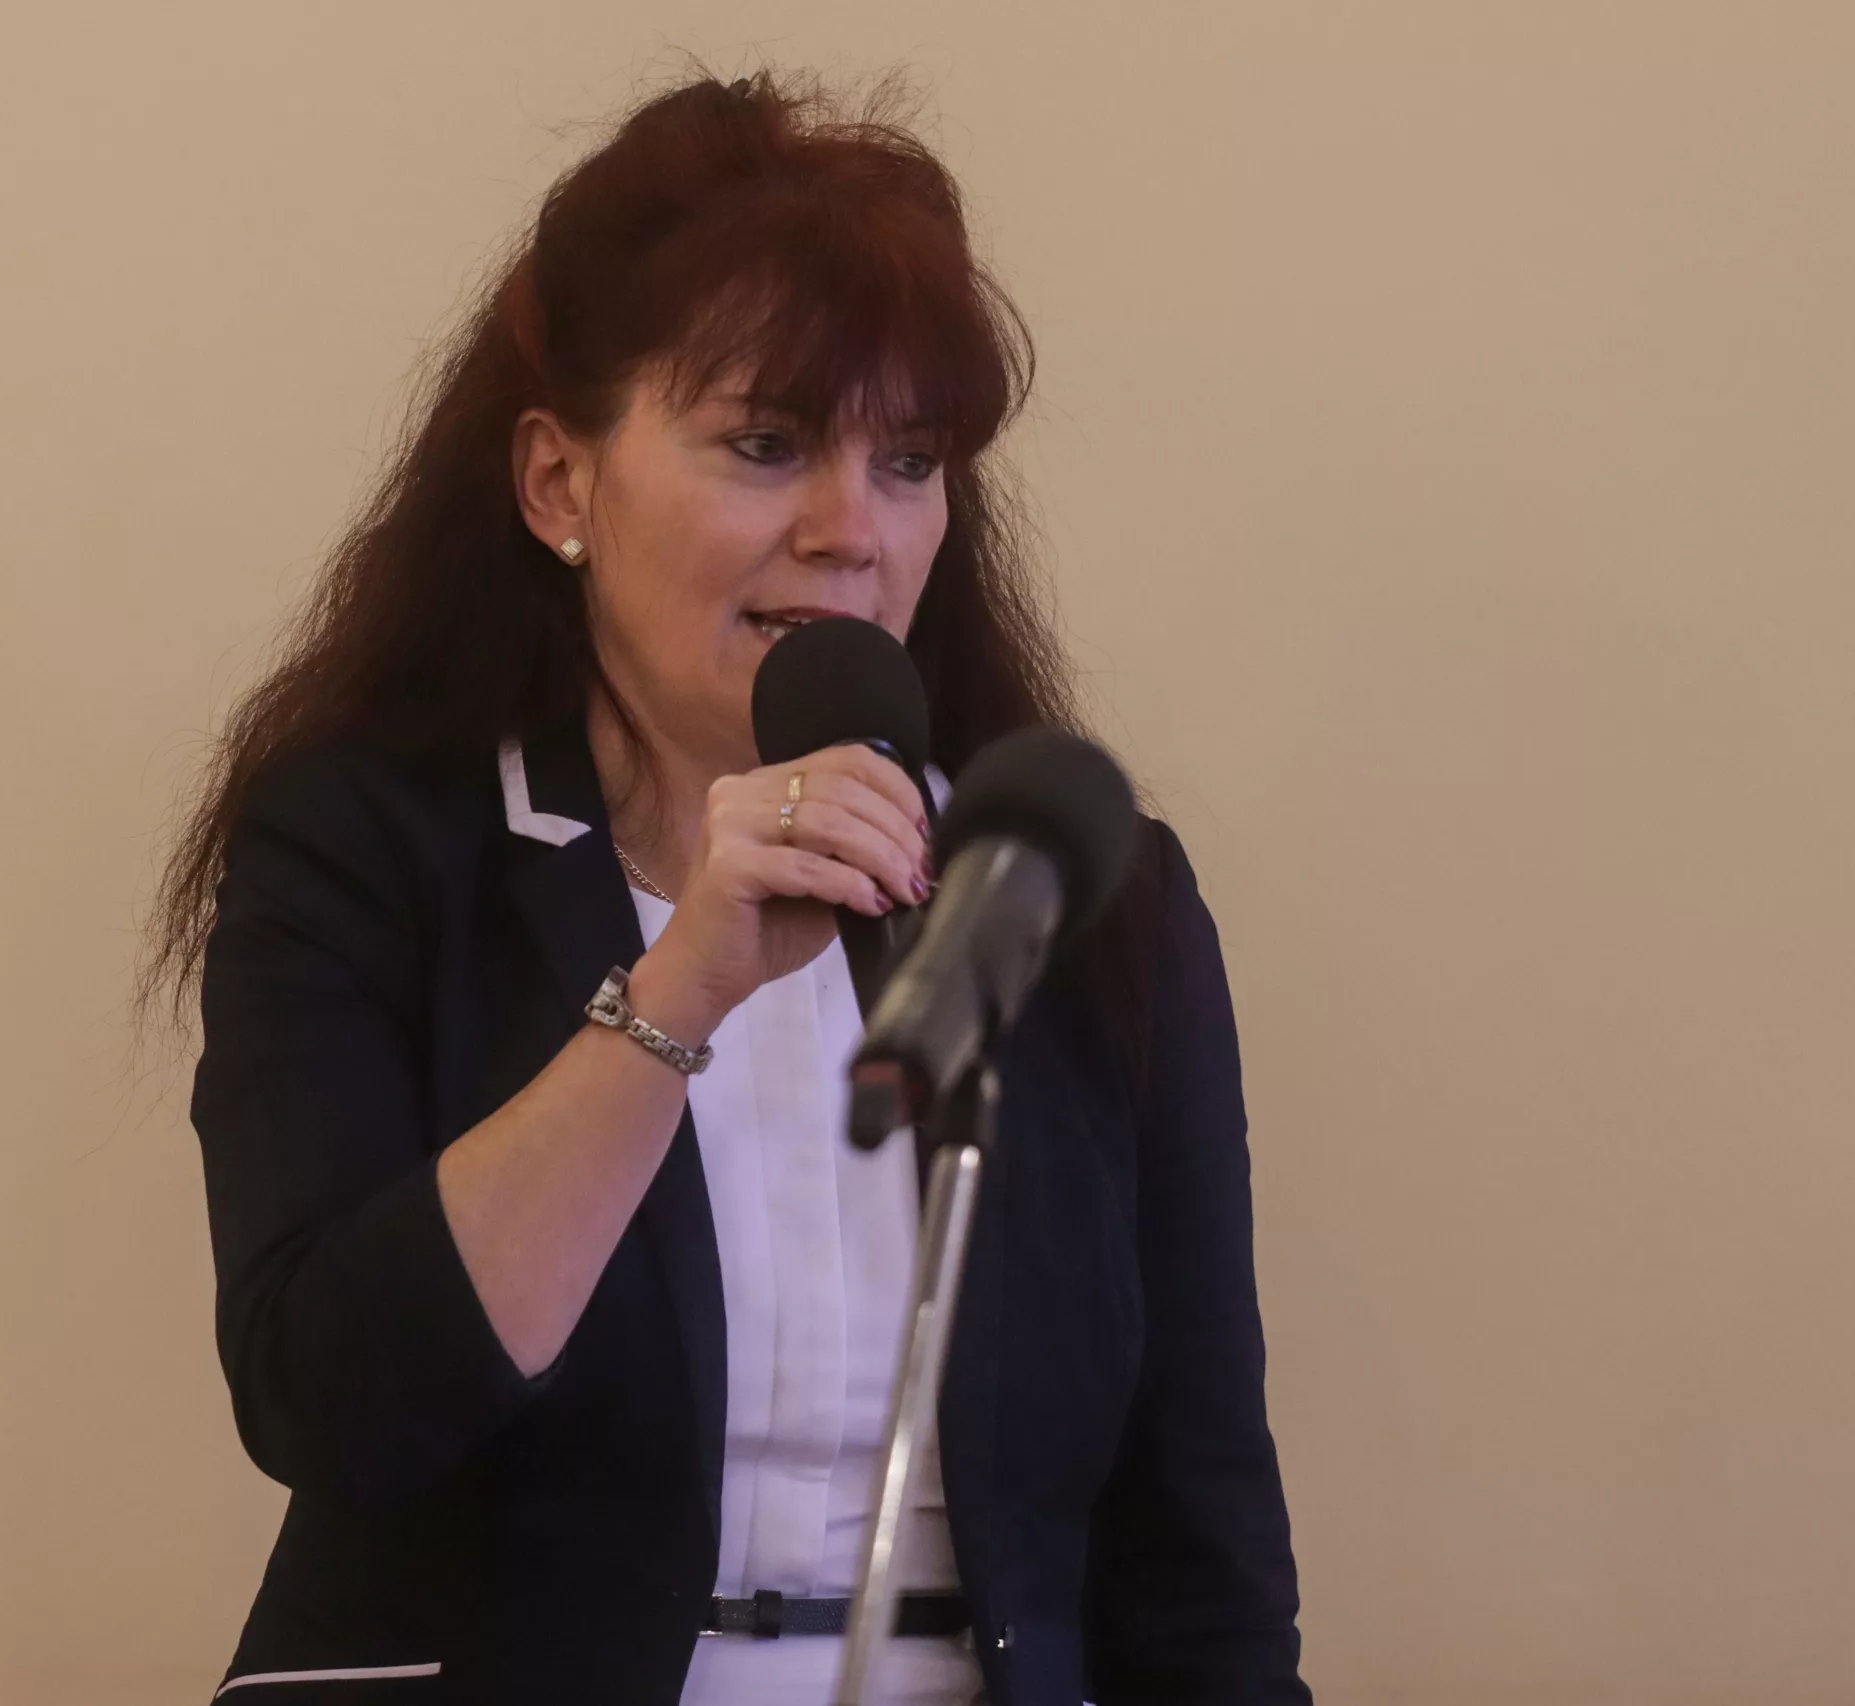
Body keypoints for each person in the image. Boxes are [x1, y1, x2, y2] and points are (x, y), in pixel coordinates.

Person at [149, 70, 1311, 1706]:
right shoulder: (368, 847)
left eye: (909, 461)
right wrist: (677, 989)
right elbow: (336, 1404)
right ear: (559, 483)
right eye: (766, 445)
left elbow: (1204, 1552)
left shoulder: (1064, 893)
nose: (851, 530)